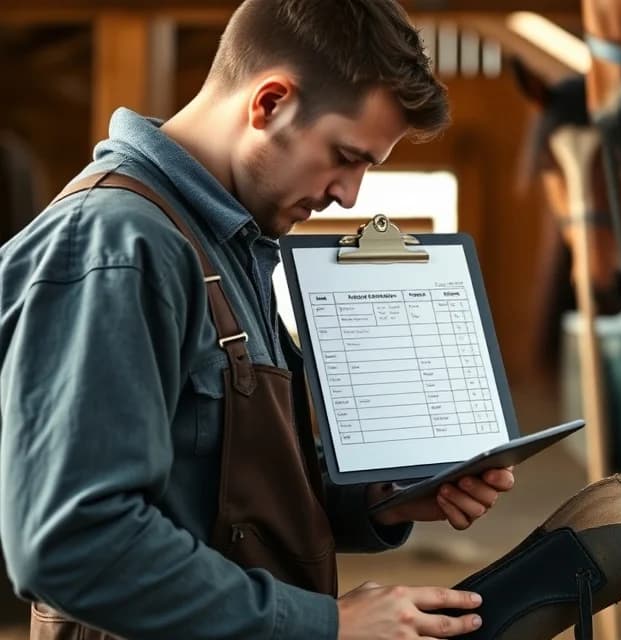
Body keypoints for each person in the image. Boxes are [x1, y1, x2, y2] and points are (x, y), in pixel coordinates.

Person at [0, 1, 515, 638]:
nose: (348, 195)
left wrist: (382, 500)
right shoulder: (119, 249)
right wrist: (326, 624)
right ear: (270, 102)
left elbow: (219, 482)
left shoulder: (225, 244)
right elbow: (73, 543)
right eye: (345, 156)